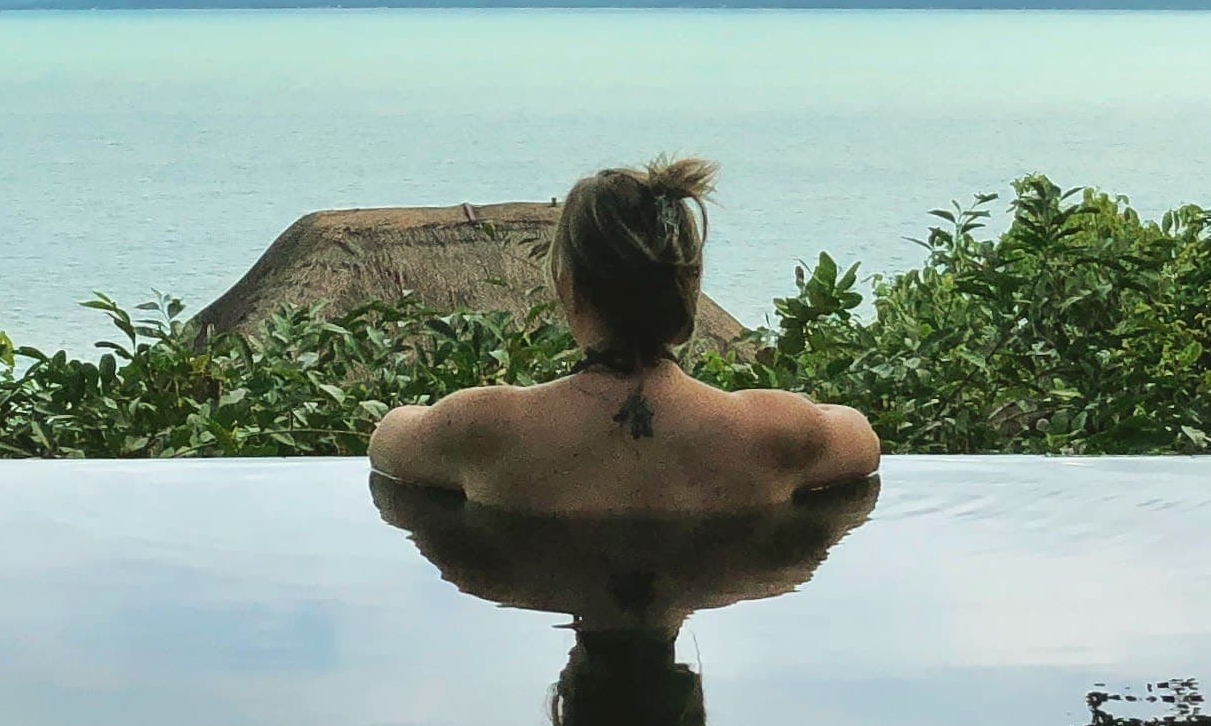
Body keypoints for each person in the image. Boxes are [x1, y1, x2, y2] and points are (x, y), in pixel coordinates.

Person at [366, 155, 880, 513]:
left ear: (570, 288)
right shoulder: (778, 433)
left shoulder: (480, 428)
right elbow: (861, 439)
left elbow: (389, 436)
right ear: (687, 288)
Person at [374, 475, 877, 726]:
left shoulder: (485, 458)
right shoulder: (777, 453)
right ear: (571, 702)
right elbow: (859, 446)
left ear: (690, 706)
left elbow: (390, 443)